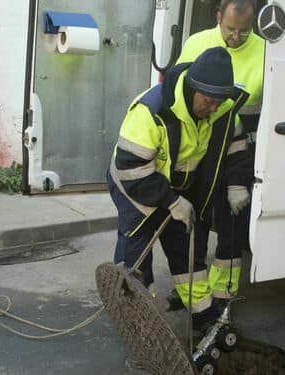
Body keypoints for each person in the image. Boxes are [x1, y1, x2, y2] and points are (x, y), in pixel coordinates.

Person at [107, 46, 249, 331]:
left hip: (180, 186)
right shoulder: (151, 110)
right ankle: (138, 321)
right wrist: (171, 202)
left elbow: (236, 149)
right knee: (137, 255)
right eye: (208, 102)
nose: (212, 110)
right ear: (192, 88)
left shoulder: (221, 109)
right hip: (136, 186)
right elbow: (131, 168)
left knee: (188, 251)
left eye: (218, 103)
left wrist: (236, 184)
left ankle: (203, 315)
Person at [165, 0, 265, 311]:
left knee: (231, 223)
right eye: (230, 29)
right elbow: (176, 90)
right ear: (219, 17)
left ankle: (224, 294)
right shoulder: (197, 43)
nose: (235, 37)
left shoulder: (266, 52)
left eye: (244, 32)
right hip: (202, 146)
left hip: (239, 147)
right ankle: (194, 291)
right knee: (197, 222)